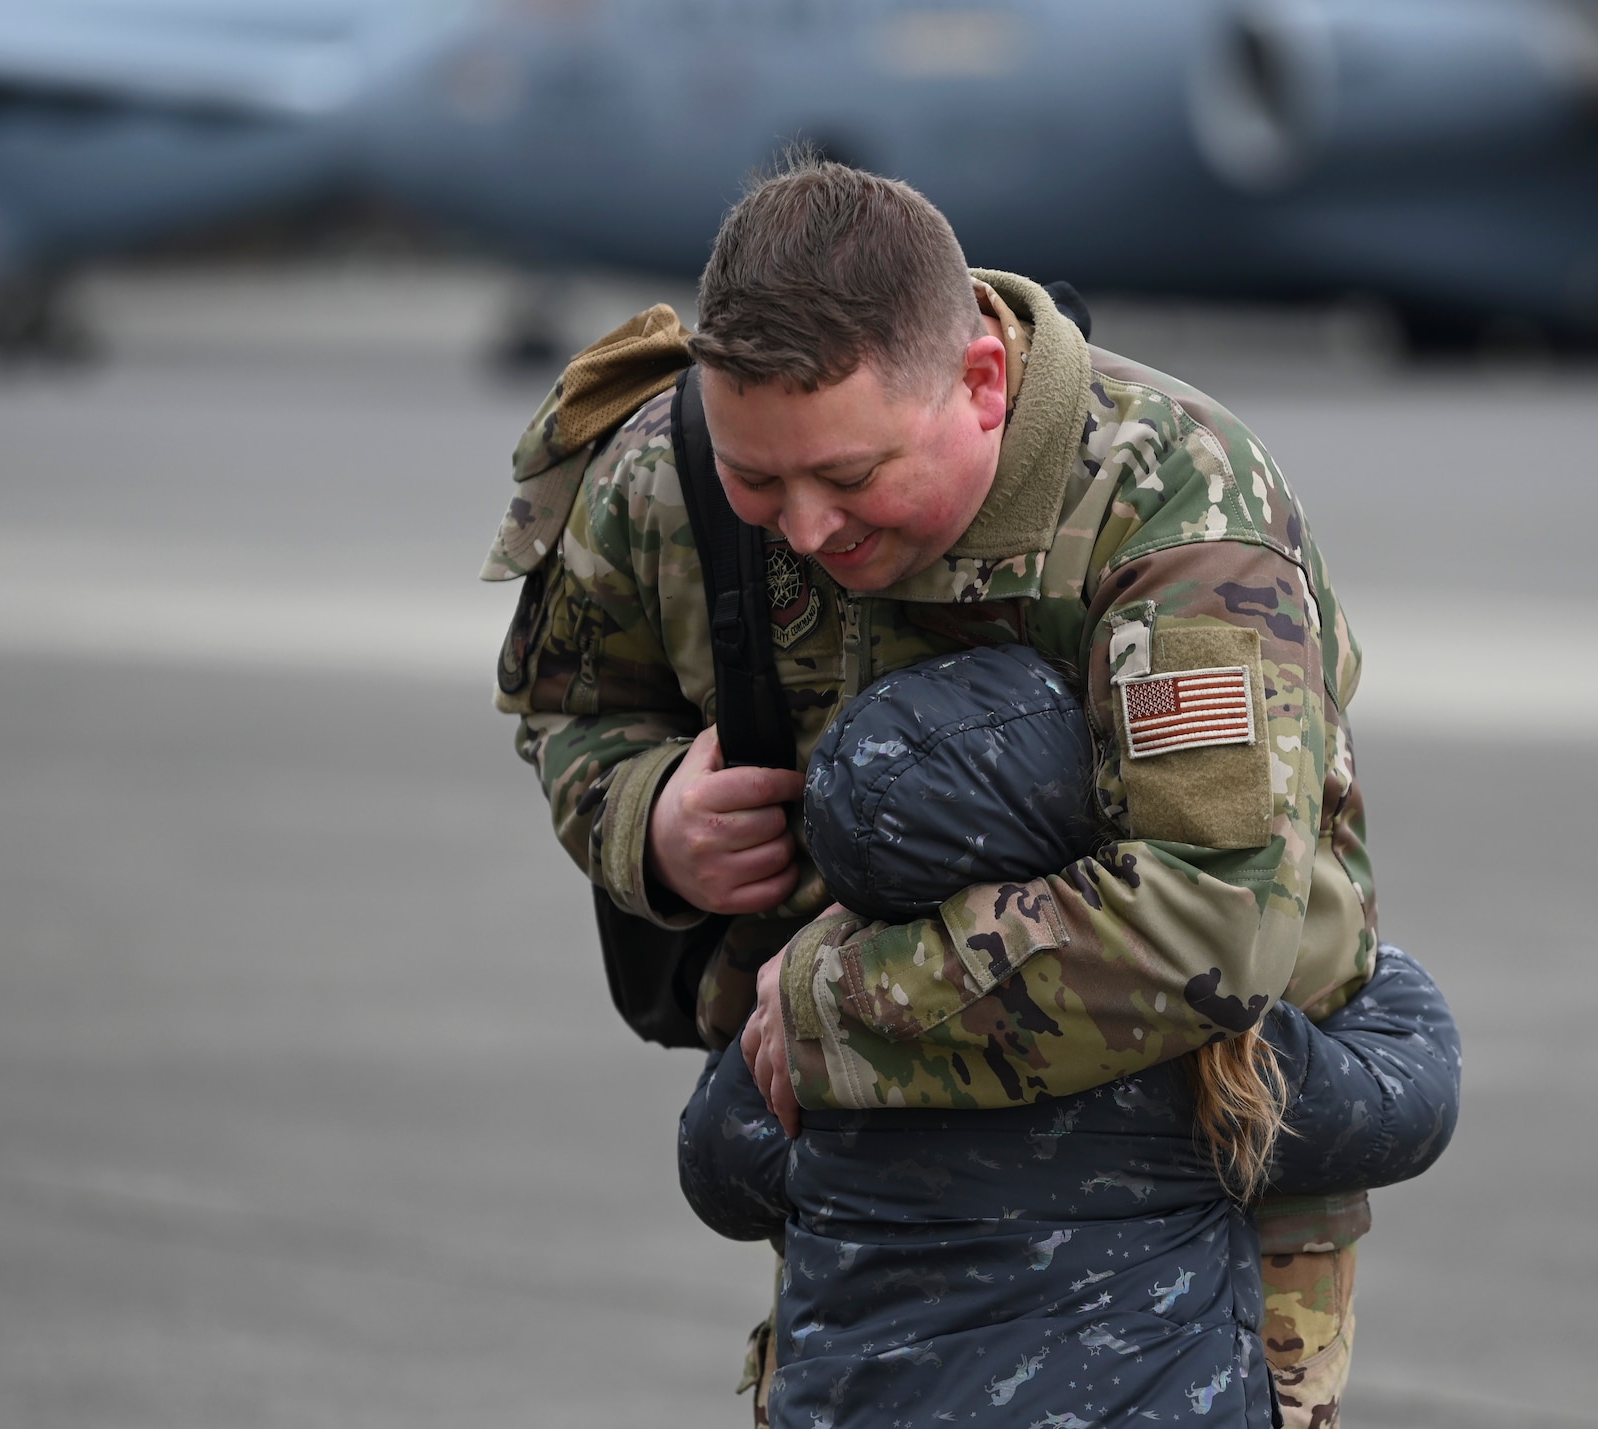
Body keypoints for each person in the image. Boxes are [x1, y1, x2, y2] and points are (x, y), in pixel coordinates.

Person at [485, 155, 1399, 1424]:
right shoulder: (668, 476)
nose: (802, 527)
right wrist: (648, 817)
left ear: (978, 382)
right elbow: (571, 704)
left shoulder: (1172, 503)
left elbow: (1211, 921)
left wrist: (827, 1006)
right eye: (761, 483)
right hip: (875, 1162)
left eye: (851, 479)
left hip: (1185, 1139)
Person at [677, 643, 1459, 1427]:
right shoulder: (1181, 1041)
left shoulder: (813, 1030)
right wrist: (1374, 970)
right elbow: (1400, 1108)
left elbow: (719, 1165)